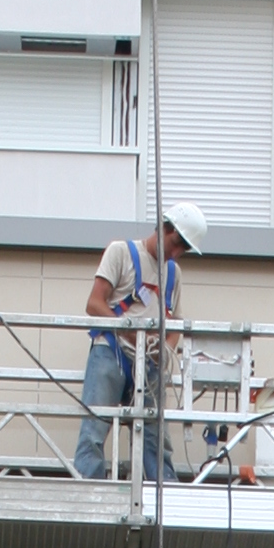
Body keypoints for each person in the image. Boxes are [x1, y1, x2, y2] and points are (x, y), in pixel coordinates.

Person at [73, 202, 207, 479]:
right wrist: (133, 333)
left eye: (185, 249)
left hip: (150, 365)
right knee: (94, 429)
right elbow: (94, 304)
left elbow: (176, 324)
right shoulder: (121, 253)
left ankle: (162, 494)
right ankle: (89, 491)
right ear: (164, 227)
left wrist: (165, 350)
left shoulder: (173, 273)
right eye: (176, 242)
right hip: (112, 352)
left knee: (155, 438)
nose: (177, 252)